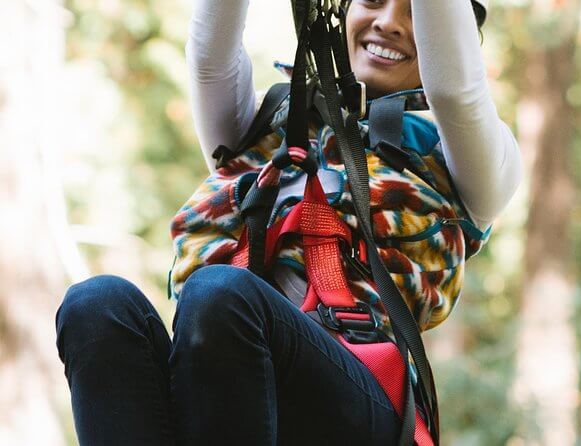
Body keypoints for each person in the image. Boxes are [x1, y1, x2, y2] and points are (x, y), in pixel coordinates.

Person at [55, 0, 523, 445]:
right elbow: (207, 56)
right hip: (220, 386)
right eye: (374, 0)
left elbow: (454, 92)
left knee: (221, 293)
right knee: (95, 305)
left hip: (355, 396)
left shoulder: (472, 158)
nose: (391, 23)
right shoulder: (266, 121)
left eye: (414, 11)